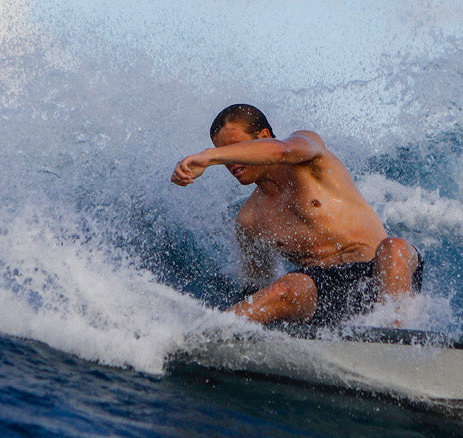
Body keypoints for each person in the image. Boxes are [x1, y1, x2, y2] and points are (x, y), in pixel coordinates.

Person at [171, 104, 423, 325]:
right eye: (222, 152)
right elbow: (256, 287)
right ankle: (198, 336)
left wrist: (209, 156)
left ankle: (396, 339)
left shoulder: (308, 153)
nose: (230, 162)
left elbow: (282, 150)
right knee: (284, 289)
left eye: (235, 148)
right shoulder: (249, 219)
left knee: (395, 248)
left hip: (381, 274)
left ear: (263, 136)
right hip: (326, 295)